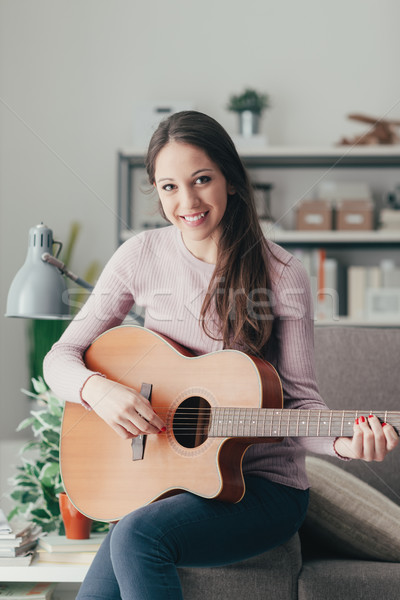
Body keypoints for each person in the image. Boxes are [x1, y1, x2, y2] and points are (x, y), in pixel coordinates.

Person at [44, 111, 398, 600]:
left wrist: (345, 444)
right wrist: (97, 390)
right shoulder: (139, 256)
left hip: (264, 491)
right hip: (171, 479)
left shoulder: (283, 274)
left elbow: (299, 406)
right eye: (168, 187)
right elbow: (60, 357)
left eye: (201, 180)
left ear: (230, 179)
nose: (186, 202)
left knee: (136, 535)